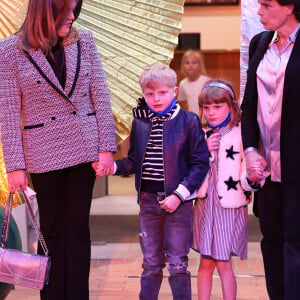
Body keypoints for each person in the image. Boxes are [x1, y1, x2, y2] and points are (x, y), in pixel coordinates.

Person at [0, 0, 117, 299]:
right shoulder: (10, 50)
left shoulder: (85, 40)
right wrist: (14, 165)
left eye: (74, 11)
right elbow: (9, 112)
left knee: (78, 230)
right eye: (64, 13)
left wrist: (106, 148)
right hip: (43, 153)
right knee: (51, 232)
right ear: (44, 13)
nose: (72, 18)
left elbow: (100, 96)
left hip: (84, 147)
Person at [97, 63, 209, 300]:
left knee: (177, 263)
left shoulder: (188, 121)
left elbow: (200, 164)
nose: (156, 98)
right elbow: (134, 161)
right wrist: (113, 166)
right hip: (148, 202)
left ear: (174, 91)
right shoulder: (141, 123)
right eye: (150, 94)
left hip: (178, 204)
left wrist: (179, 195)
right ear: (143, 94)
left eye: (162, 92)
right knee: (150, 264)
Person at [241, 1, 300, 299]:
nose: (259, 11)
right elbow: (249, 104)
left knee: (296, 244)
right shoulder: (259, 43)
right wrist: (250, 149)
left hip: (297, 168)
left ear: (289, 7)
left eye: (266, 4)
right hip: (265, 168)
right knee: (271, 241)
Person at [193, 79, 264, 300]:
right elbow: (191, 167)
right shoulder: (199, 133)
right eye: (206, 107)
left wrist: (252, 177)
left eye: (217, 106)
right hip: (205, 206)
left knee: (224, 263)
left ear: (231, 106)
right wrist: (203, 150)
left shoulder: (241, 134)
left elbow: (247, 171)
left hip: (228, 209)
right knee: (205, 262)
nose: (211, 112)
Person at [177, 50, 210, 117]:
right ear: (183, 66)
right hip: (192, 119)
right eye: (187, 63)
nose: (190, 65)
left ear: (200, 66)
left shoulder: (207, 81)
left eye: (194, 63)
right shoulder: (183, 84)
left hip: (206, 118)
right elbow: (182, 103)